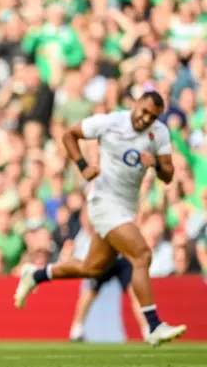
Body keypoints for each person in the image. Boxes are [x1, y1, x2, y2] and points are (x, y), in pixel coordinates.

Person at [14, 91, 187, 346]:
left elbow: (169, 175)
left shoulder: (159, 133)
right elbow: (68, 134)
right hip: (104, 204)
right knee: (142, 255)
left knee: (91, 268)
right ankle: (153, 325)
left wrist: (157, 165)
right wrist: (83, 166)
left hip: (126, 209)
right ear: (136, 103)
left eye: (152, 116)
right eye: (144, 111)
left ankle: (37, 275)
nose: (145, 118)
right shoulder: (110, 122)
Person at [59, 203, 149, 342]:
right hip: (102, 255)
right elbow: (87, 222)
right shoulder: (96, 200)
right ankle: (76, 329)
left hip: (120, 255)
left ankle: (147, 330)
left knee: (135, 291)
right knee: (90, 291)